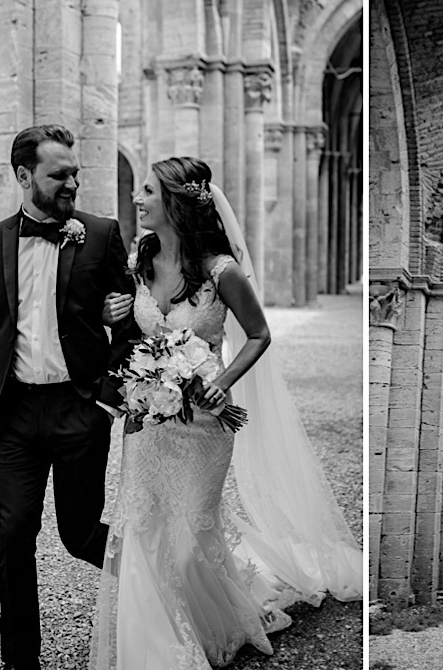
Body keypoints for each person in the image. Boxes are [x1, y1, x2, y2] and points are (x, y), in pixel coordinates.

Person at [90, 157, 362, 668]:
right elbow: (129, 336)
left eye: (147, 191)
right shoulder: (138, 260)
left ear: (173, 202)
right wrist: (112, 318)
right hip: (146, 418)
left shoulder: (222, 271)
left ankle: (208, 620)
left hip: (206, 422)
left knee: (192, 532)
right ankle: (153, 641)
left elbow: (260, 334)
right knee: (144, 525)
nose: (137, 198)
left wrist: (221, 381)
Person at [0, 125, 139, 670]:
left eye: (75, 173)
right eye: (60, 175)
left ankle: (165, 589)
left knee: (80, 534)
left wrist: (107, 399)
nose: (72, 183)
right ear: (24, 176)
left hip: (80, 408)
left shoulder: (100, 234)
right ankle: (20, 661)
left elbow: (130, 326)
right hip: (17, 414)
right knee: (12, 535)